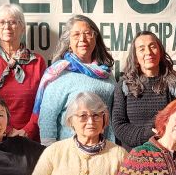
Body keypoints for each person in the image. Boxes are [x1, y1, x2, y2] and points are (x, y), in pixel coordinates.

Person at [33, 14, 115, 144]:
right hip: (71, 152)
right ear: (69, 42)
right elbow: (47, 117)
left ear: (95, 38)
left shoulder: (106, 73)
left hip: (105, 149)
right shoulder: (59, 73)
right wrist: (50, 152)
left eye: (87, 33)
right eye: (76, 35)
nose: (82, 39)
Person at [0, 4, 46, 137]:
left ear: (22, 27)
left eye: (13, 22)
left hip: (29, 137)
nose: (7, 27)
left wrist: (27, 130)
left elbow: (43, 102)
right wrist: (8, 130)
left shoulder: (38, 61)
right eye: (1, 22)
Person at [111, 30, 176, 149]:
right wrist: (149, 135)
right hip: (133, 157)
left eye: (153, 46)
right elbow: (118, 125)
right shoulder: (124, 85)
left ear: (161, 51)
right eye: (141, 49)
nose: (148, 52)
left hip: (167, 156)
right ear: (135, 57)